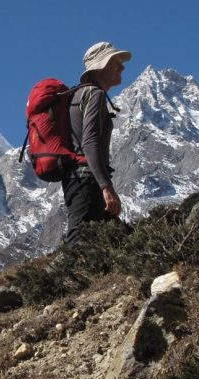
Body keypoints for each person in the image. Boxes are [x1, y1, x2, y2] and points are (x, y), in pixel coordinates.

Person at [62, 41, 130, 244]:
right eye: (116, 62)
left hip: (77, 179)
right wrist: (105, 186)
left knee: (115, 240)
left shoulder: (77, 94)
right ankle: (68, 276)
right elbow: (89, 142)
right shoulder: (95, 94)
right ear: (103, 66)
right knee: (79, 240)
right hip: (87, 180)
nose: (122, 67)